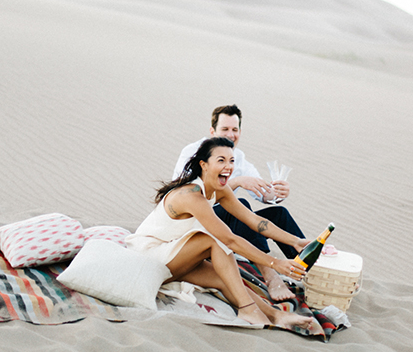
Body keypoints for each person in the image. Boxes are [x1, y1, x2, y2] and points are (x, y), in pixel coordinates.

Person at [126, 137, 313, 327]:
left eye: (232, 161)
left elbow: (254, 221)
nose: (228, 166)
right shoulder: (190, 196)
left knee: (225, 277)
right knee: (213, 241)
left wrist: (295, 241)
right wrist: (276, 263)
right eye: (221, 160)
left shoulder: (219, 189)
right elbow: (229, 240)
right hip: (149, 258)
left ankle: (275, 315)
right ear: (204, 165)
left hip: (174, 253)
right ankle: (248, 310)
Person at [172, 104, 305, 301]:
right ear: (212, 131)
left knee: (280, 213)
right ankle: (269, 273)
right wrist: (236, 183)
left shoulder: (237, 157)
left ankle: (308, 269)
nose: (230, 134)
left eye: (234, 130)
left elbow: (262, 192)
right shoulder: (193, 152)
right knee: (241, 204)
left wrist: (277, 193)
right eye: (224, 129)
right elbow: (184, 195)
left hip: (229, 220)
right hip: (196, 223)